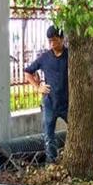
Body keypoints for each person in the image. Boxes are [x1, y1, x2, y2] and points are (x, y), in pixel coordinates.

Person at [24, 25, 69, 164]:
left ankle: (70, 157)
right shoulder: (44, 57)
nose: (52, 44)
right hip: (50, 102)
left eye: (55, 40)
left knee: (75, 130)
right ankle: (51, 162)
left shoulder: (70, 55)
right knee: (49, 135)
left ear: (62, 39)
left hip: (67, 102)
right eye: (50, 41)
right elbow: (27, 72)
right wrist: (38, 87)